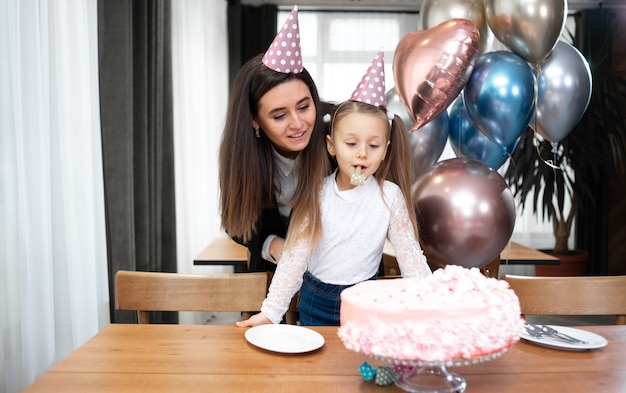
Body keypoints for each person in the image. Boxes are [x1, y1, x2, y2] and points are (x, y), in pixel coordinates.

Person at [237, 50, 432, 327]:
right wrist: (271, 312)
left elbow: (409, 254)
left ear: (386, 151)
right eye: (351, 144)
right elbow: (294, 257)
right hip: (316, 301)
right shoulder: (315, 193)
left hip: (366, 302)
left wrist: (432, 302)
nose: (362, 154)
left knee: (358, 364)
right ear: (331, 146)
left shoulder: (390, 196)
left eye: (373, 146)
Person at [219, 6, 333, 272]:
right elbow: (236, 222)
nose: (298, 124)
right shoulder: (243, 155)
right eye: (279, 116)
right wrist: (272, 244)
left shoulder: (339, 138)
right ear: (254, 119)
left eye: (304, 107)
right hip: (274, 278)